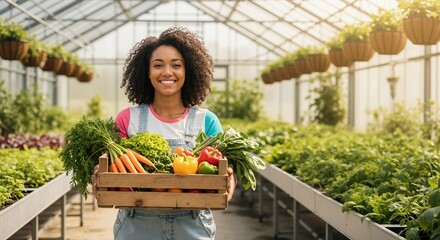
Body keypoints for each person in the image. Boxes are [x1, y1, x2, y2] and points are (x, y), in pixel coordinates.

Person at [93, 27, 236, 240]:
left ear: (189, 71)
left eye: (176, 65)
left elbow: (222, 173)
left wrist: (227, 183)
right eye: (158, 65)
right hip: (136, 226)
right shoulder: (127, 119)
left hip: (193, 226)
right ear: (147, 71)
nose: (167, 72)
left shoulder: (206, 121)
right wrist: (100, 176)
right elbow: (112, 173)